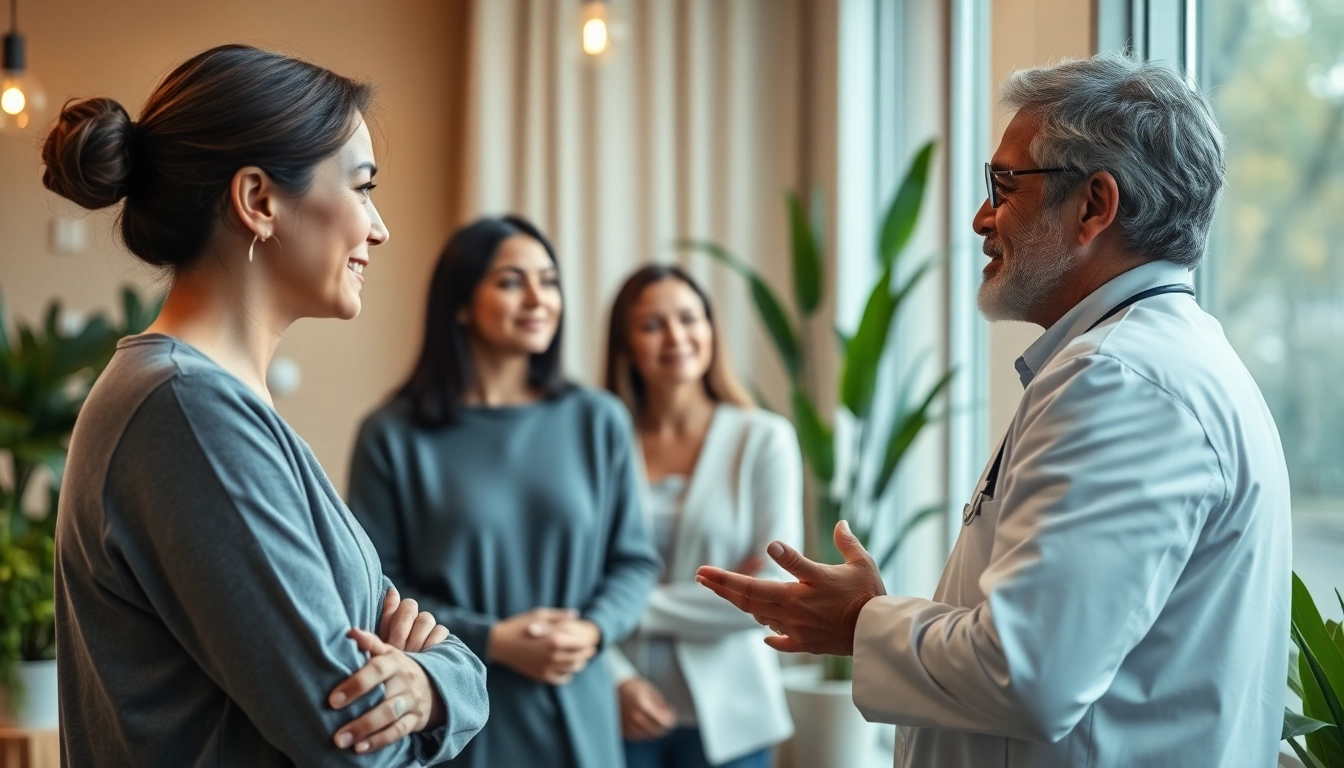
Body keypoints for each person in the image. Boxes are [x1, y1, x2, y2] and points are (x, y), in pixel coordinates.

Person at [697, 52, 1291, 768]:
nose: (982, 217)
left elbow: (1030, 674)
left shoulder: (1122, 380)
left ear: (1094, 206)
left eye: (1004, 186)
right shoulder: (1158, 361)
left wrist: (860, 621)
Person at [47, 45, 488, 767]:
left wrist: (439, 682)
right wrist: (448, 684)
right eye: (363, 188)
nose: (379, 228)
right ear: (258, 201)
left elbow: (410, 652)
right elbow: (353, 743)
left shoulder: (208, 405)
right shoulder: (187, 413)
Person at [347, 215, 660, 768]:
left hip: (583, 715)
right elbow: (377, 590)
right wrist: (492, 640)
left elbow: (634, 562)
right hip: (460, 720)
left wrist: (592, 631)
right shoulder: (392, 435)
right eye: (512, 281)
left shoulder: (599, 419)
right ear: (461, 304)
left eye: (549, 280)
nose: (539, 298)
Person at [602, 265, 801, 768]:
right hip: (618, 709)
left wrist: (622, 604)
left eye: (689, 318)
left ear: (711, 329)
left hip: (735, 721)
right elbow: (570, 585)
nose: (676, 337)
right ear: (625, 343)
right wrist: (614, 679)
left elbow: (774, 591)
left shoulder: (763, 439)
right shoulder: (600, 445)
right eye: (652, 325)